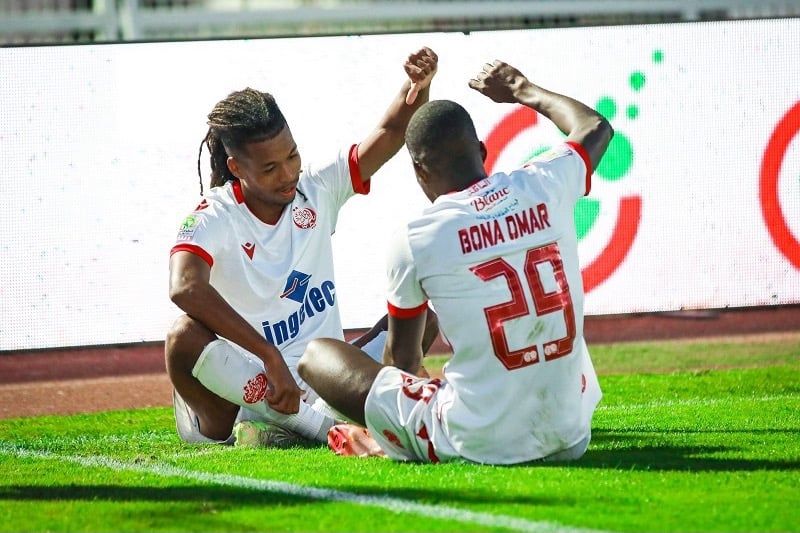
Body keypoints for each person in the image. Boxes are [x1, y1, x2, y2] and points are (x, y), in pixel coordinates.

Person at [297, 59, 614, 464]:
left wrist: (407, 408)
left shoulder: (416, 237)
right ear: (481, 151)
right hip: (571, 434)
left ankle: (368, 437)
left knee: (318, 355)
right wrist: (522, 89)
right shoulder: (544, 182)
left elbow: (403, 362)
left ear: (418, 171)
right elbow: (595, 126)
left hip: (480, 442)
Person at [165, 46, 439, 447]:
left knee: (420, 322)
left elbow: (391, 132)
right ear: (236, 168)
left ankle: (292, 427)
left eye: (292, 156)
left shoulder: (317, 188)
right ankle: (318, 429)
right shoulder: (214, 215)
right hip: (252, 383)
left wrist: (418, 86)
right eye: (270, 168)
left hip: (324, 378)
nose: (288, 174)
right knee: (183, 336)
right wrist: (269, 356)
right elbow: (184, 287)